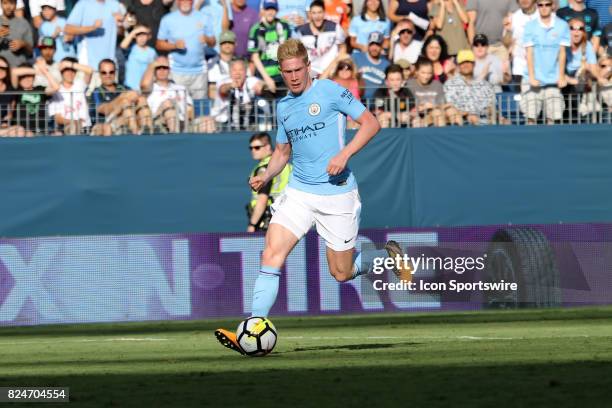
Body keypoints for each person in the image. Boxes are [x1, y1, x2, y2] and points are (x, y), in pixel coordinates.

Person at [214, 39, 411, 354]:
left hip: (337, 195)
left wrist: (345, 153)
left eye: (297, 70)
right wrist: (267, 175)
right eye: (287, 72)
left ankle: (388, 257)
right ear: (281, 71)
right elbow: (282, 152)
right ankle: (252, 327)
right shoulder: (284, 106)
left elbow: (371, 123)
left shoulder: (330, 90)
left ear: (307, 66)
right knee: (271, 253)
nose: (293, 77)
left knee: (342, 273)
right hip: (299, 193)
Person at [520, 0, 570, 125]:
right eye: (540, 5)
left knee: (553, 120)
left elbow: (562, 53)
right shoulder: (530, 26)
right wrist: (532, 77)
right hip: (532, 80)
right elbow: (529, 53)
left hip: (553, 80)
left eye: (547, 4)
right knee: (530, 119)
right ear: (537, 6)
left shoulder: (562, 25)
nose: (544, 7)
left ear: (552, 6)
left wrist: (561, 76)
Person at [156, 0, 216, 100]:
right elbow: (159, 44)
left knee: (199, 110)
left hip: (199, 73)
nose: (185, 2)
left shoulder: (204, 18)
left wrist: (207, 39)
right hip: (176, 73)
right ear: (177, 2)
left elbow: (213, 43)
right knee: (178, 110)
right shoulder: (167, 19)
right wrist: (174, 46)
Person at [90, 58, 153, 135]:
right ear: (99, 74)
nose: (108, 75)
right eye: (104, 73)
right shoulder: (97, 91)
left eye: (111, 72)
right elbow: (103, 109)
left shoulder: (124, 88)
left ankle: (148, 131)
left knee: (142, 100)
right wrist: (122, 99)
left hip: (128, 119)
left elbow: (139, 97)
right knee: (126, 105)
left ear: (115, 73)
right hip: (107, 124)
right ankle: (136, 135)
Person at [246, 132, 292, 232]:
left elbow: (262, 199)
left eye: (257, 147)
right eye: (251, 148)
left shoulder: (263, 168)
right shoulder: (284, 165)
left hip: (269, 220)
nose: (253, 151)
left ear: (267, 146)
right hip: (288, 217)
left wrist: (252, 224)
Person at [247, 0, 291, 97]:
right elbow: (255, 57)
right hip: (263, 78)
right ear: (263, 10)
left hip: (281, 77)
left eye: (273, 9)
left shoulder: (284, 26)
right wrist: (267, 79)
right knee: (265, 109)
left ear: (277, 10)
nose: (270, 12)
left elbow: (288, 52)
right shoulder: (256, 29)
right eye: (267, 9)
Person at [295, 0, 346, 78]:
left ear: (324, 13)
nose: (317, 16)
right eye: (314, 13)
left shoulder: (335, 28)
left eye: (320, 12)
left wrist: (332, 66)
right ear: (310, 15)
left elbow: (343, 48)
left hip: (332, 71)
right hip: (310, 72)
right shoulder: (301, 32)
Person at [444, 49, 496, 125]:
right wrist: (468, 115)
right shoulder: (450, 84)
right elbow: (450, 108)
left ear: (474, 64)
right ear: (458, 66)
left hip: (485, 124)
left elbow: (492, 107)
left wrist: (493, 114)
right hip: (461, 124)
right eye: (462, 63)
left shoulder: (485, 85)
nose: (465, 65)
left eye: (468, 62)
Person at [211, 58, 265, 130]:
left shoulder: (250, 80)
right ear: (230, 72)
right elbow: (222, 90)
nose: (237, 73)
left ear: (246, 71)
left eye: (241, 70)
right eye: (234, 70)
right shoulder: (224, 81)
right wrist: (230, 85)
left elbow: (260, 86)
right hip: (223, 121)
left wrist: (263, 86)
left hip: (247, 121)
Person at [407, 57, 461, 127]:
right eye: (423, 73)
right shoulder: (410, 85)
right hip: (418, 117)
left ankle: (457, 134)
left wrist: (433, 106)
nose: (426, 76)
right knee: (437, 113)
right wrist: (422, 108)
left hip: (435, 113)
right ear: (416, 72)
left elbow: (443, 104)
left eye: (429, 73)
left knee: (452, 112)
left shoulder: (437, 84)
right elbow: (407, 106)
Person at [11, 59, 60, 135]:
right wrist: (36, 71)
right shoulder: (17, 90)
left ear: (34, 77)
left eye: (29, 76)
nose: (26, 79)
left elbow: (56, 87)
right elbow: (14, 72)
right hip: (21, 133)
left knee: (58, 134)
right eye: (23, 76)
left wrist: (45, 72)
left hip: (40, 131)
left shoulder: (40, 89)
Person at [48, 56, 93, 134]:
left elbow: (90, 70)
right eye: (66, 70)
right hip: (67, 128)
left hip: (86, 128)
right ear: (61, 71)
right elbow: (57, 118)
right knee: (72, 128)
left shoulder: (80, 84)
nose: (70, 73)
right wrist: (74, 122)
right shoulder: (56, 90)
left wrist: (69, 64)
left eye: (73, 70)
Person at [353, 31, 390, 100]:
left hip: (377, 104)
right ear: (368, 45)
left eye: (377, 45)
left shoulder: (386, 64)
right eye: (372, 44)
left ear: (381, 46)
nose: (374, 48)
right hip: (357, 101)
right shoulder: (356, 57)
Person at [120, 24, 157, 91]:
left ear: (149, 36)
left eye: (144, 34)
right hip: (130, 87)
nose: (141, 37)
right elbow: (123, 46)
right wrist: (134, 32)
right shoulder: (131, 48)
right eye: (139, 34)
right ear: (135, 36)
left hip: (145, 88)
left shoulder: (152, 52)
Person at [0, 0, 33, 68]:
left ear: (16, 4)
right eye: (5, 3)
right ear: (1, 4)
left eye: (11, 3)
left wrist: (23, 44)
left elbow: (31, 52)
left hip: (19, 67)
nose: (8, 7)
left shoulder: (23, 23)